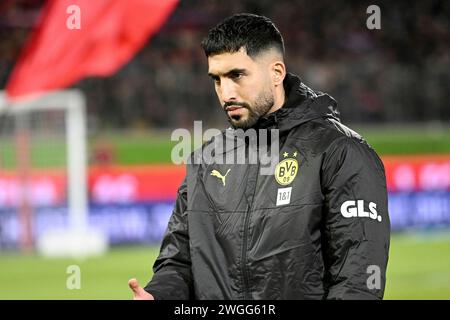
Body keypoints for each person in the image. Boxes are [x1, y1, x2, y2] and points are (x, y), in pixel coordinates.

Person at [128, 13, 390, 300]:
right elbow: (179, 261)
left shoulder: (340, 152)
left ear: (276, 73)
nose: (225, 93)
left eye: (236, 75)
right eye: (216, 79)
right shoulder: (206, 161)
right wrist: (159, 295)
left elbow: (357, 281)